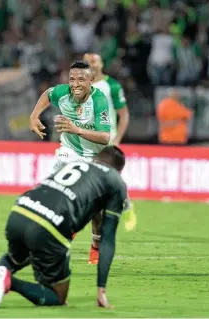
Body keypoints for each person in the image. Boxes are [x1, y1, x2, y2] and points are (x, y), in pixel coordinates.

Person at [0, 146, 128, 309]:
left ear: (96, 158)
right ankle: (9, 282)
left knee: (17, 257)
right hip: (50, 225)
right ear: (118, 171)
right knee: (57, 297)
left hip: (20, 210)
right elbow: (107, 238)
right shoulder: (115, 180)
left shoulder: (75, 165)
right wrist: (101, 290)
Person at [81, 53, 136, 265]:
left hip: (104, 148)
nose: (91, 65)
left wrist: (117, 141)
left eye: (95, 61)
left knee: (97, 202)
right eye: (87, 61)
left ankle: (95, 245)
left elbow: (124, 114)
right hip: (82, 146)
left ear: (101, 64)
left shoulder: (111, 86)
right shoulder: (78, 84)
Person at [29, 60, 111, 173]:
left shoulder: (99, 101)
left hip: (93, 155)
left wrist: (77, 130)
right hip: (69, 152)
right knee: (55, 182)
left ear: (91, 80)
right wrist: (34, 116)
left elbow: (105, 137)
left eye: (81, 80)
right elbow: (48, 94)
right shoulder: (63, 92)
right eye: (72, 79)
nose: (75, 84)